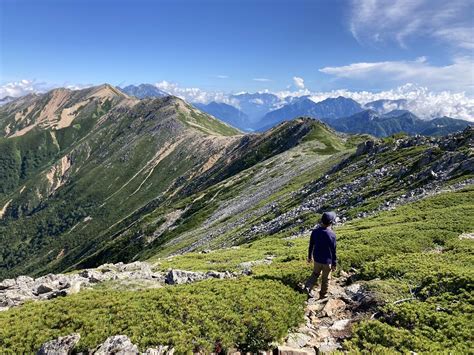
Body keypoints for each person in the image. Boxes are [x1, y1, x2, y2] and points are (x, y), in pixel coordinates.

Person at [305, 211, 337, 299]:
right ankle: (323, 295)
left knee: (315, 274)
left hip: (317, 259)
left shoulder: (315, 232)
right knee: (326, 278)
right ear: (331, 222)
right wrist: (334, 263)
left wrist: (309, 257)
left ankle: (308, 287)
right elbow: (333, 251)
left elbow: (311, 245)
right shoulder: (332, 235)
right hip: (327, 261)